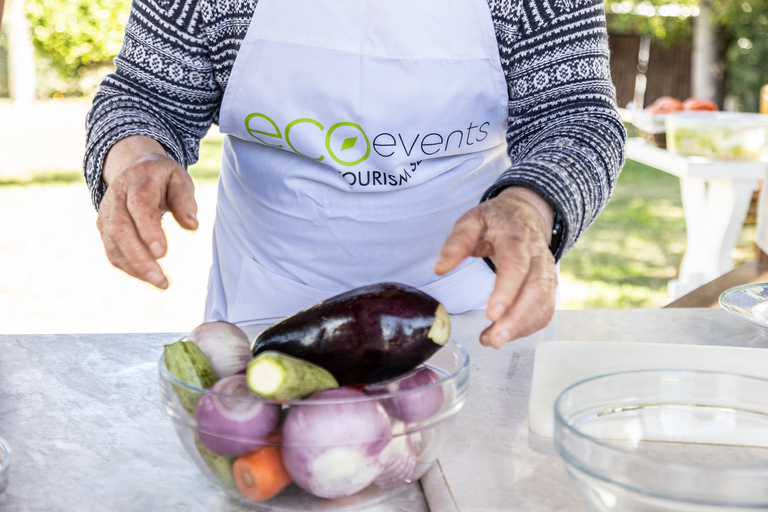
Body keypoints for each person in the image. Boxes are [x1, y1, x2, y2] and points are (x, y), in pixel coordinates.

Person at [84, 0, 626, 348]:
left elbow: (576, 116)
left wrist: (528, 206)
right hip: (265, 312)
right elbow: (144, 94)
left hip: (468, 316)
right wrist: (133, 156)